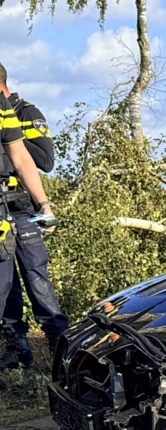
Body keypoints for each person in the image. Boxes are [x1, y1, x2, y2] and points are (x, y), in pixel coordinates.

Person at [0, 62, 62, 370]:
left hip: (21, 206)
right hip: (2, 208)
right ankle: (16, 346)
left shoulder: (25, 112)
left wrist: (12, 138)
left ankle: (59, 343)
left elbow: (44, 161)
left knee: (36, 276)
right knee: (6, 283)